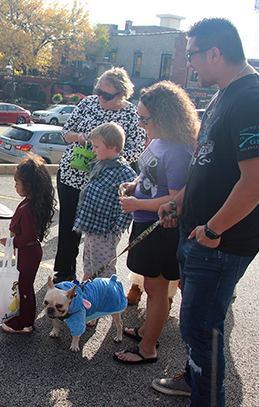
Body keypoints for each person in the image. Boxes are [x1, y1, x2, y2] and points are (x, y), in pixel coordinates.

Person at [151, 18, 259, 406]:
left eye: (193, 56)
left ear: (215, 54)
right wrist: (181, 200)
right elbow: (209, 163)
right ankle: (194, 377)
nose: (191, 65)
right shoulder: (224, 94)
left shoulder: (253, 99)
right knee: (197, 326)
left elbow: (257, 180)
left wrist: (212, 230)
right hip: (199, 234)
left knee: (202, 328)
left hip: (220, 242)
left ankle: (207, 396)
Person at [113, 81, 198, 365]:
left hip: (160, 229)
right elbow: (147, 175)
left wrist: (137, 203)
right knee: (151, 287)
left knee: (157, 290)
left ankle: (148, 347)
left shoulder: (178, 152)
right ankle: (147, 331)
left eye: (144, 119)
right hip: (146, 222)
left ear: (164, 117)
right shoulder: (159, 140)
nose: (140, 124)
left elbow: (175, 200)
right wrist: (133, 184)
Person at [53, 68, 145, 284]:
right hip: (72, 175)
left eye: (108, 95)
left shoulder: (131, 114)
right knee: (68, 226)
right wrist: (80, 137)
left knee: (98, 234)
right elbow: (65, 133)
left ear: (122, 94)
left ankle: (97, 280)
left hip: (105, 184)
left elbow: (136, 148)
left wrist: (107, 156)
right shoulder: (88, 103)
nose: (101, 97)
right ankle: (64, 272)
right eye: (99, 91)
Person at [72, 122, 136, 281]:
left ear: (113, 147)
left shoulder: (124, 172)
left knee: (102, 271)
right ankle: (87, 295)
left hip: (106, 231)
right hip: (92, 226)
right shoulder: (100, 163)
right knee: (89, 264)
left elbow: (133, 201)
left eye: (96, 146)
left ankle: (103, 302)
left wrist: (118, 226)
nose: (93, 150)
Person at [0, 154, 56, 334]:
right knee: (24, 285)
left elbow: (28, 235)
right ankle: (24, 316)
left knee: (25, 287)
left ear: (29, 185)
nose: (15, 186)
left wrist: (11, 242)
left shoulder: (28, 208)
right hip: (28, 251)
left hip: (29, 251)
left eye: (17, 183)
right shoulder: (31, 203)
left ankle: (26, 322)